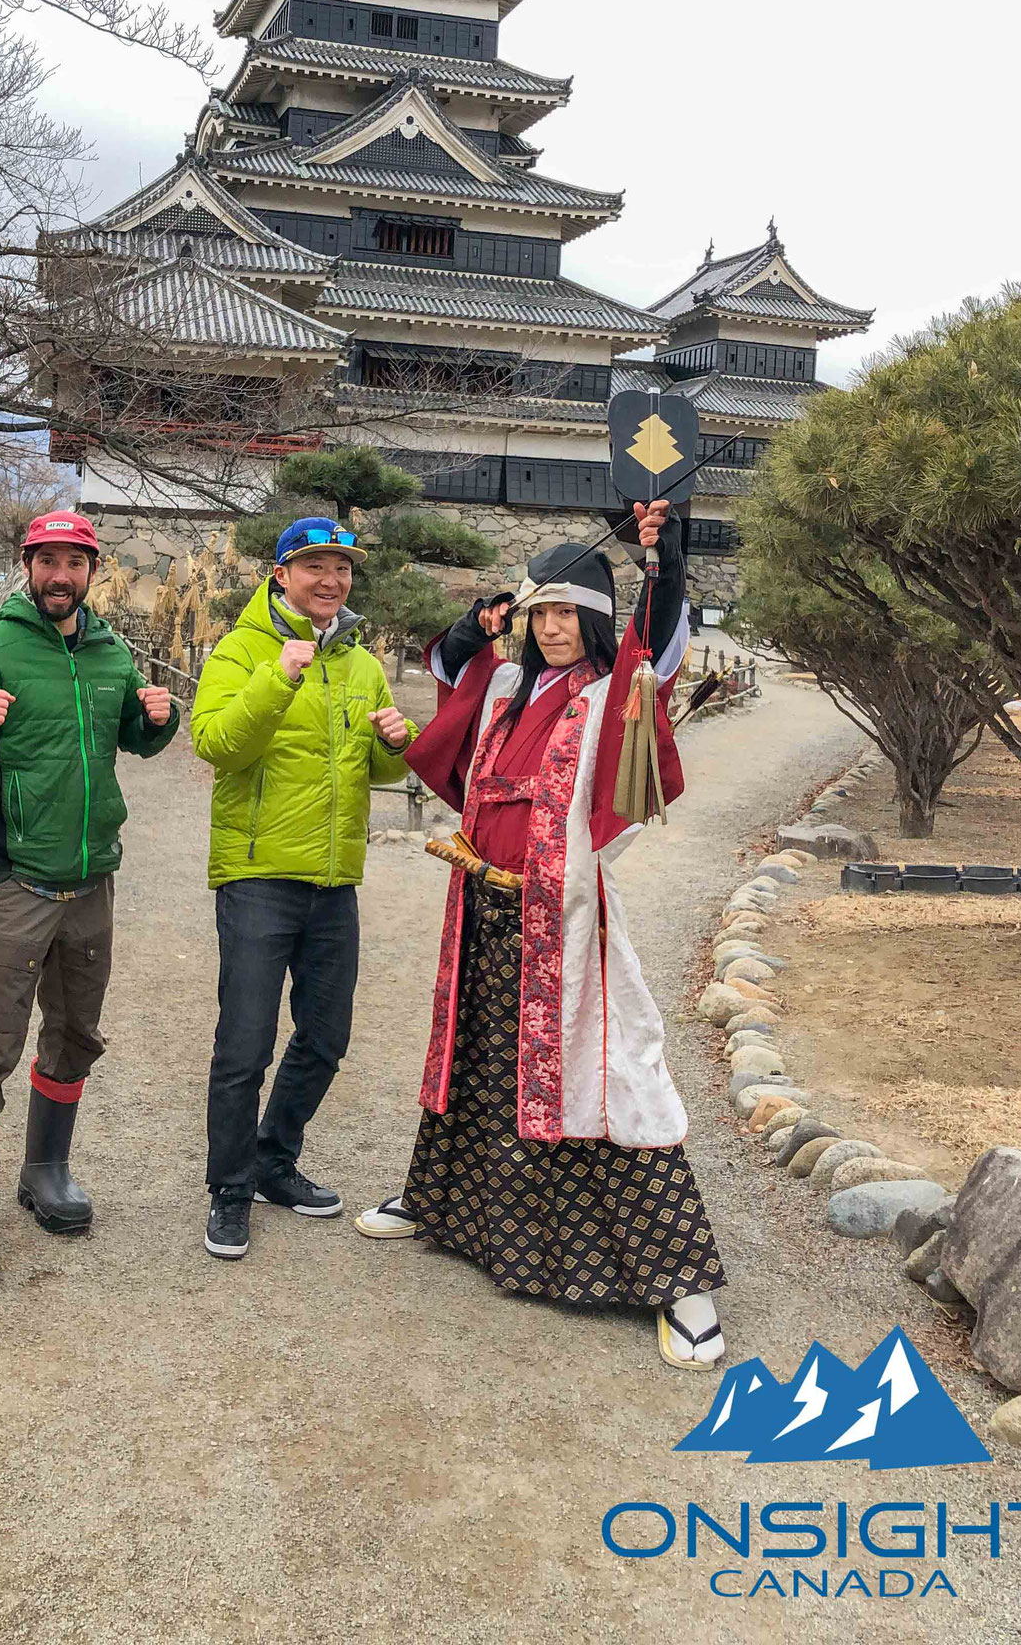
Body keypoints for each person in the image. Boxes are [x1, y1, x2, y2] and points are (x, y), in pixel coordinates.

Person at [355, 501, 729, 1372]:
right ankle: (445, 1206)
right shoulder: (506, 688)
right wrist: (474, 620)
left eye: (569, 612)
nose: (554, 628)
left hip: (566, 917)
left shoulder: (616, 690)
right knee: (476, 1060)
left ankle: (680, 1280)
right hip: (481, 907)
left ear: (596, 619)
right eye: (540, 613)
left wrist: (662, 555)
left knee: (609, 1070)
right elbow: (450, 665)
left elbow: (660, 646)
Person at [0, 510, 178, 1291]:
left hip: (92, 877)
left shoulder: (110, 651)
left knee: (75, 1035)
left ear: (91, 570)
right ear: (28, 566)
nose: (61, 575)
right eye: (48, 561)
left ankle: (45, 1172)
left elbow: (129, 739)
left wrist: (156, 721)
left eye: (75, 561)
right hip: (13, 881)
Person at [190, 517, 415, 1262]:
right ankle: (229, 1188)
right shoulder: (241, 649)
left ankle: (272, 1161)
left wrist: (394, 743)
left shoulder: (360, 661)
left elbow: (378, 774)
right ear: (281, 573)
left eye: (343, 568)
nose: (332, 580)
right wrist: (275, 678)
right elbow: (217, 744)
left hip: (333, 877)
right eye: (315, 565)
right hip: (257, 876)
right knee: (244, 1045)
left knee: (326, 1037)